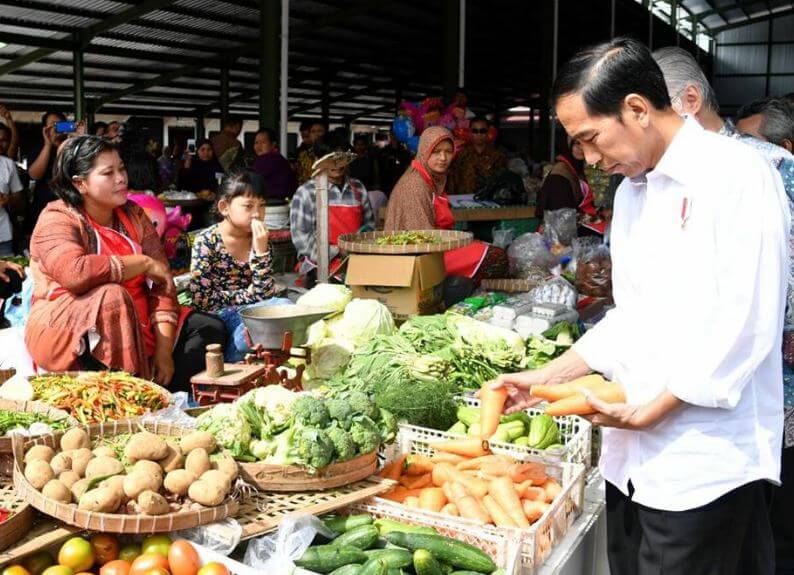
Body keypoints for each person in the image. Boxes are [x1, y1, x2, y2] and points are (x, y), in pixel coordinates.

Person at [494, 38, 789, 575]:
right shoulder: (632, 191)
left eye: (589, 138)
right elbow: (632, 315)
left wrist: (653, 408)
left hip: (703, 465)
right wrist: (546, 376)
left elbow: (746, 324)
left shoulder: (737, 177)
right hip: (630, 460)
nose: (588, 158)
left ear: (636, 108)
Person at [653, 47, 794, 573]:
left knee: (764, 520)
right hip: (698, 391)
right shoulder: (653, 180)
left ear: (689, 100)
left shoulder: (767, 167)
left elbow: (766, 301)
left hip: (768, 382)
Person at [25, 136, 226, 393]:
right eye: (108, 173)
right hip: (69, 325)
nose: (121, 178)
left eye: (121, 168)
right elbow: (75, 273)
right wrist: (140, 263)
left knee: (209, 328)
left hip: (137, 317)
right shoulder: (57, 218)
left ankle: (160, 392)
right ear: (80, 183)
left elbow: (162, 281)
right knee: (113, 297)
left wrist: (164, 353)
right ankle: (124, 397)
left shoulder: (133, 214)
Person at [384, 126, 508, 283]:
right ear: (424, 151)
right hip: (418, 259)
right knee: (495, 257)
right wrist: (463, 243)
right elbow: (420, 240)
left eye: (448, 151)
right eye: (436, 151)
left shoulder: (431, 179)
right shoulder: (415, 185)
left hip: (437, 247)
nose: (443, 158)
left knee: (486, 248)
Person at [189, 171, 277, 362]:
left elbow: (266, 295)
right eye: (248, 206)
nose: (257, 214)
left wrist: (260, 253)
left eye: (262, 206)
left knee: (284, 307)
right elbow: (202, 301)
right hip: (218, 321)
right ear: (224, 207)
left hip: (255, 314)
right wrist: (248, 297)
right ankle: (230, 357)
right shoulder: (206, 241)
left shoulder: (261, 240)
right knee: (253, 329)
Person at [290, 149, 374, 286]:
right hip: (319, 270)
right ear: (319, 160)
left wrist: (359, 245)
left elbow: (369, 226)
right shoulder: (306, 193)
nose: (337, 165)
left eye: (341, 159)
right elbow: (302, 240)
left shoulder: (358, 188)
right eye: (332, 160)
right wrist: (337, 251)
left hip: (357, 265)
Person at [536, 128, 607, 236]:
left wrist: (600, 213)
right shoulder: (560, 175)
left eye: (586, 144)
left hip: (569, 228)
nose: (581, 149)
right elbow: (562, 215)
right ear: (569, 144)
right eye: (577, 144)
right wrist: (597, 217)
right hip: (559, 237)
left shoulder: (573, 169)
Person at [28, 111, 68, 226]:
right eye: (53, 124)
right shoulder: (39, 148)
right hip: (44, 206)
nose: (56, 128)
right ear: (45, 129)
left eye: (60, 125)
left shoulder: (70, 146)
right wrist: (48, 144)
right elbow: (34, 175)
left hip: (68, 205)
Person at [449, 116, 506, 195]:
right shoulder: (461, 156)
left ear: (488, 132)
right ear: (470, 132)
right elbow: (453, 180)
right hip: (464, 201)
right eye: (475, 131)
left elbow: (502, 181)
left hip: (489, 201)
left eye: (482, 131)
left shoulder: (498, 157)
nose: (479, 134)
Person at [251, 128, 294, 201]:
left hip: (274, 203)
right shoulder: (277, 157)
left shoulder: (270, 158)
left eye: (263, 142)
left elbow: (250, 178)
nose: (258, 146)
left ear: (273, 144)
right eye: (256, 143)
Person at [0, 133, 23, 255]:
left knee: (9, 272)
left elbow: (18, 197)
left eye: (3, 140)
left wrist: (7, 199)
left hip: (3, 235)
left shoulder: (8, 164)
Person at [377, 131, 411, 195]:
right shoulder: (384, 151)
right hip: (387, 183)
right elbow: (380, 168)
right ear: (390, 136)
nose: (394, 137)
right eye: (392, 134)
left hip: (400, 182)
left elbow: (407, 166)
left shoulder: (404, 151)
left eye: (396, 135)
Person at [296, 121, 326, 185]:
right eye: (313, 131)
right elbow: (301, 177)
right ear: (310, 135)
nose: (317, 134)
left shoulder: (333, 153)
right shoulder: (303, 155)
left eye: (320, 131)